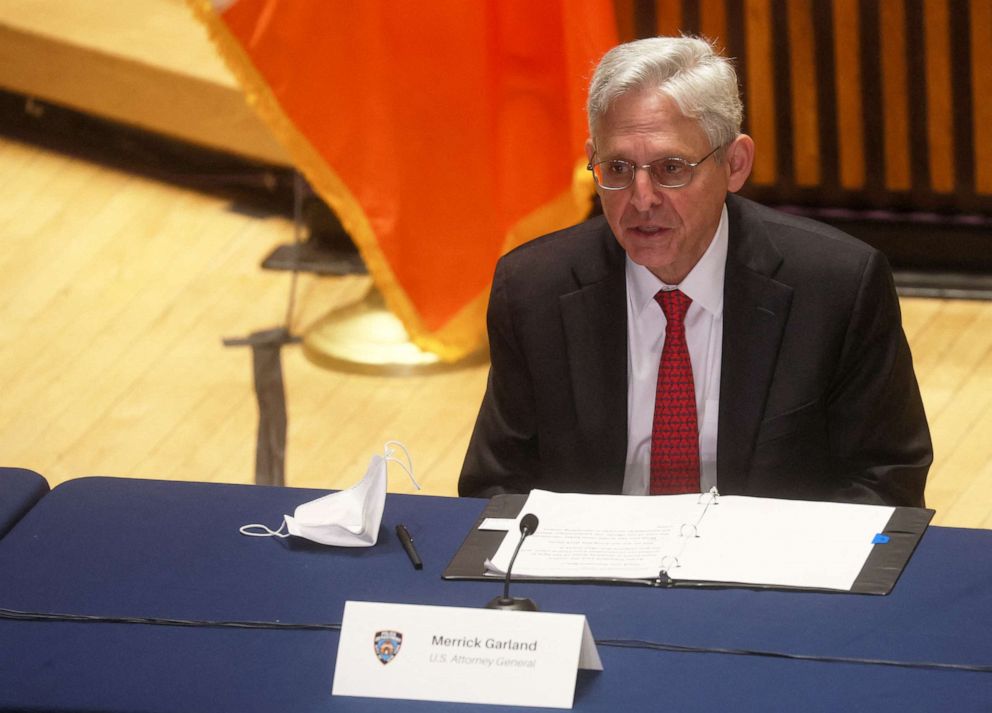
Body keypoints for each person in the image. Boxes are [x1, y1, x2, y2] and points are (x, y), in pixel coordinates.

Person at [458, 36, 931, 506]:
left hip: (764, 570)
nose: (641, 198)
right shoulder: (534, 289)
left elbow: (886, 478)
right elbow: (495, 488)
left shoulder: (837, 287)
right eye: (618, 167)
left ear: (735, 164)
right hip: (591, 569)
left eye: (671, 168)